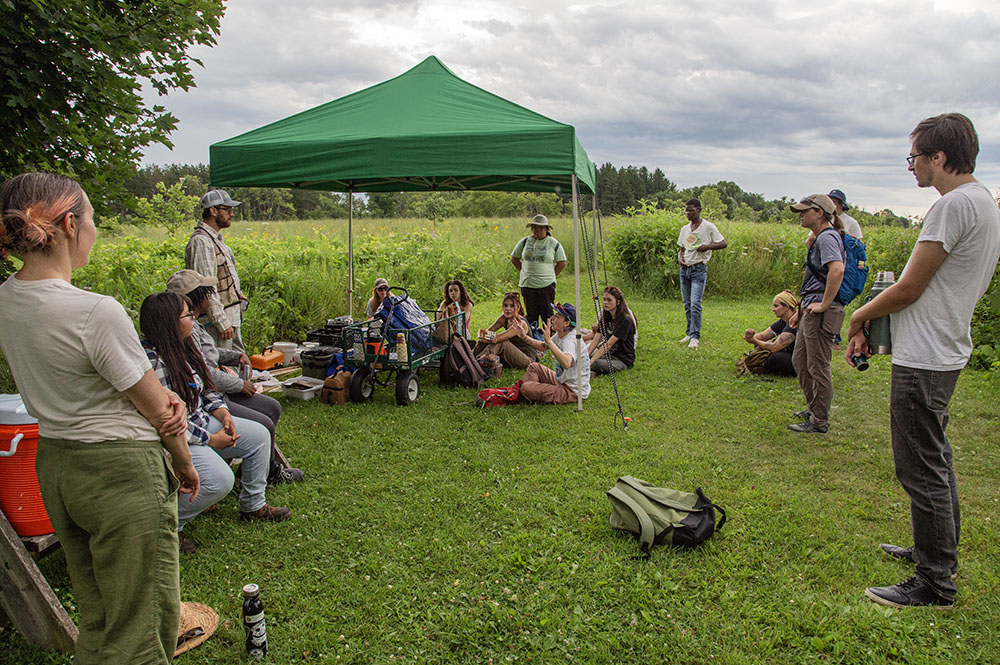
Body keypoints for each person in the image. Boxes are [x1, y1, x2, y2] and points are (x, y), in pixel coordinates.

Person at [0, 172, 198, 663]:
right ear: (70, 224)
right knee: (143, 627)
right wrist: (184, 463)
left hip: (59, 464)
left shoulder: (7, 299)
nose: (93, 230)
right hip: (121, 473)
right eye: (92, 220)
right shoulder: (94, 312)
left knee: (100, 616)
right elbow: (161, 413)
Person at [846, 113, 1000, 608]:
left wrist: (859, 316)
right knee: (936, 458)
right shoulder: (984, 203)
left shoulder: (952, 205)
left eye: (914, 157)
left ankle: (935, 581)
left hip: (926, 357)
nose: (910, 166)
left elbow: (910, 287)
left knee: (920, 466)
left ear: (939, 157)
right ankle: (933, 548)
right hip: (947, 350)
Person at [140, 292, 291, 554]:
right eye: (187, 315)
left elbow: (204, 389)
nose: (193, 319)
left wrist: (223, 413)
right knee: (219, 480)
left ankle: (253, 505)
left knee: (258, 435)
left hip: (201, 422)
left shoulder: (182, 348)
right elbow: (168, 423)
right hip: (176, 439)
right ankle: (167, 527)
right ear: (169, 323)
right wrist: (212, 439)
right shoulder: (152, 363)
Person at [166, 269, 304, 486]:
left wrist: (235, 355)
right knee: (264, 423)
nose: (211, 298)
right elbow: (205, 372)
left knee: (272, 407)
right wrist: (240, 384)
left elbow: (210, 354)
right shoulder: (185, 330)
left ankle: (257, 469)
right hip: (211, 398)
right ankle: (264, 476)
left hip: (220, 392)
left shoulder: (195, 324)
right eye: (207, 293)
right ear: (195, 298)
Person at [788, 194, 845, 433]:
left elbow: (837, 270)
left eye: (805, 211)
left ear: (820, 213)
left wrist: (823, 304)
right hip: (810, 308)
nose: (800, 215)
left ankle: (819, 420)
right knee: (800, 360)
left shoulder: (827, 238)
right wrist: (801, 309)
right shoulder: (820, 238)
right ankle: (814, 408)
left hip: (821, 311)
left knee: (818, 365)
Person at [185, 189, 248, 354]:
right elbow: (206, 287)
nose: (231, 214)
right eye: (227, 210)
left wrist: (235, 293)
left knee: (239, 365)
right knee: (222, 369)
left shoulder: (216, 240)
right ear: (212, 211)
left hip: (231, 317)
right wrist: (221, 321)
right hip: (217, 323)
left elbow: (221, 277)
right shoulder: (202, 241)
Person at [677, 198, 727, 348]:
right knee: (686, 304)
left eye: (691, 210)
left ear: (699, 210)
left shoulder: (708, 227)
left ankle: (695, 336)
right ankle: (689, 332)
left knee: (695, 304)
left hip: (698, 269)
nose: (688, 213)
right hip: (685, 269)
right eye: (686, 210)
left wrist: (707, 246)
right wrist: (680, 259)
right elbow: (681, 248)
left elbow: (723, 243)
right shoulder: (685, 229)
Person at [519, 303, 591, 404]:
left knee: (526, 387)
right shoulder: (561, 334)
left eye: (557, 316)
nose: (552, 318)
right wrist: (524, 337)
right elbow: (542, 346)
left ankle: (529, 392)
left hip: (572, 391)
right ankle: (531, 393)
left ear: (566, 323)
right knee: (534, 367)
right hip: (562, 380)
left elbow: (567, 363)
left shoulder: (569, 340)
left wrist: (549, 341)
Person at [510, 214, 567, 326]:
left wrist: (552, 275)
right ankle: (532, 339)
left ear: (546, 229)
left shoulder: (553, 243)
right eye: (535, 227)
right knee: (531, 315)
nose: (537, 230)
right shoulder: (525, 242)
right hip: (528, 284)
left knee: (547, 315)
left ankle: (548, 340)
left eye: (541, 227)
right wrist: (523, 271)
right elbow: (514, 258)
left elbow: (562, 262)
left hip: (546, 285)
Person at [473, 291, 540, 369]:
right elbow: (486, 332)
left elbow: (497, 338)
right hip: (511, 353)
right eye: (505, 306)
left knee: (502, 343)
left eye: (512, 306)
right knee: (482, 340)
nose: (508, 309)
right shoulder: (503, 318)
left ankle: (477, 363)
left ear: (518, 308)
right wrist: (483, 337)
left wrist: (485, 336)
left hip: (526, 359)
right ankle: (471, 357)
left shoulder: (520, 323)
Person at [742, 289, 799, 377]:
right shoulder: (783, 321)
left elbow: (774, 347)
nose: (773, 309)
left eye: (776, 306)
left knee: (774, 358)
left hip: (800, 361)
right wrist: (750, 335)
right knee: (760, 345)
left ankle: (769, 368)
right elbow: (762, 336)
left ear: (787, 307)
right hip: (788, 353)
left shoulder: (794, 324)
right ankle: (765, 367)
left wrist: (754, 340)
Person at [584, 286, 636, 374]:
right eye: (604, 299)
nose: (605, 303)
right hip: (609, 355)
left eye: (609, 300)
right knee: (583, 359)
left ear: (618, 302)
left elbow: (609, 343)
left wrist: (591, 361)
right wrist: (586, 357)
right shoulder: (606, 317)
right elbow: (596, 339)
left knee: (595, 363)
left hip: (622, 360)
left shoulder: (625, 321)